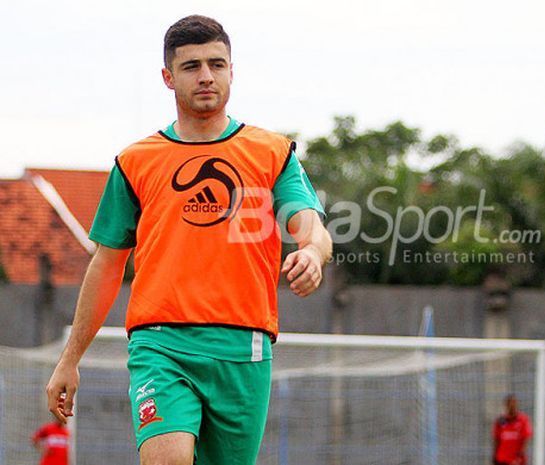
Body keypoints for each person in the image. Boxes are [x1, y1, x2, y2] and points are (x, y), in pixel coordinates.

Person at [45, 15, 332, 465]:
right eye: (191, 66)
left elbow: (306, 220)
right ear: (168, 77)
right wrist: (70, 358)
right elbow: (106, 264)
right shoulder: (136, 162)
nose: (205, 76)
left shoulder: (272, 152)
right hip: (161, 345)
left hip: (244, 350)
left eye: (217, 64)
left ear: (232, 71)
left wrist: (312, 250)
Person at [492, 394, 532, 465]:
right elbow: (496, 439)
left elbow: (526, 438)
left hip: (516, 460)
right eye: (509, 403)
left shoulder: (523, 420)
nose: (512, 405)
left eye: (514, 403)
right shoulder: (500, 421)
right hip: (502, 459)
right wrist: (494, 456)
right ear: (506, 405)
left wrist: (519, 457)